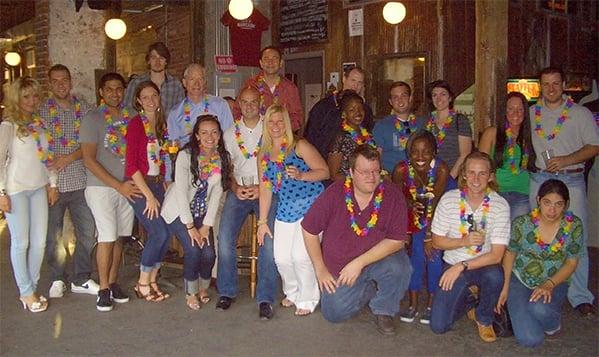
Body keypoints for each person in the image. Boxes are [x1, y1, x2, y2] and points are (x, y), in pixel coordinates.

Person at [302, 145, 411, 335]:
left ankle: (384, 309)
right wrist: (320, 270)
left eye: (376, 171)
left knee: (400, 266)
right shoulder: (335, 193)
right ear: (351, 172)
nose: (371, 176)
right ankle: (369, 288)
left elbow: (397, 240)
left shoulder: (392, 195)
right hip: (341, 267)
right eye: (365, 172)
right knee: (333, 313)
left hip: (378, 259)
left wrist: (359, 263)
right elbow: (308, 229)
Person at [528, 67, 599, 317]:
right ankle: (540, 284)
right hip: (539, 178)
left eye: (555, 84)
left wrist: (567, 160)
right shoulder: (532, 113)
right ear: (540, 87)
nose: (551, 88)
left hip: (571, 181)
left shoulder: (580, 114)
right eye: (545, 84)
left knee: (575, 236)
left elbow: (594, 146)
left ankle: (580, 296)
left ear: (564, 84)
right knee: (536, 234)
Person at [430, 151, 510, 343]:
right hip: (453, 264)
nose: (476, 179)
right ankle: (470, 301)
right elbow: (437, 242)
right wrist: (463, 242)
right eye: (471, 172)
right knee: (438, 326)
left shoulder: (500, 205)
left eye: (482, 173)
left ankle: (484, 318)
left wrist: (462, 266)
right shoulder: (449, 199)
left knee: (495, 274)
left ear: (490, 176)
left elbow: (497, 256)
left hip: (483, 265)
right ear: (463, 174)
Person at [257, 105, 329, 316]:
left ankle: (309, 298)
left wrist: (300, 175)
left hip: (311, 205)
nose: (276, 126)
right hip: (286, 207)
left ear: (287, 123)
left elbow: (324, 171)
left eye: (280, 121)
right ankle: (293, 291)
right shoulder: (263, 154)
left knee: (300, 256)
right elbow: (265, 188)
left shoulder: (300, 146)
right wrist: (262, 222)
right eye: (271, 121)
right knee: (281, 257)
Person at [216, 87, 278, 319]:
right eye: (245, 102)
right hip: (240, 190)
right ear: (238, 104)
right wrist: (236, 188)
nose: (249, 106)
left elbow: (278, 163)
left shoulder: (271, 128)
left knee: (268, 241)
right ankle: (227, 291)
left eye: (254, 102)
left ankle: (265, 297)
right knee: (224, 236)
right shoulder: (230, 134)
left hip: (267, 190)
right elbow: (227, 169)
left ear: (261, 102)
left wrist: (261, 187)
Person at [496, 179, 582, 348]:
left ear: (566, 205)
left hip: (555, 280)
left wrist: (549, 284)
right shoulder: (522, 223)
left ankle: (553, 324)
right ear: (538, 200)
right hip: (519, 278)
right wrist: (505, 286)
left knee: (539, 309)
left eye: (559, 204)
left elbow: (571, 264)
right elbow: (510, 253)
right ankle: (527, 312)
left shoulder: (573, 226)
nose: (552, 210)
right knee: (530, 340)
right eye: (547, 203)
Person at [39, 64, 99, 298]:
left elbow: (90, 143)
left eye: (65, 80)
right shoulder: (42, 111)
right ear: (50, 84)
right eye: (56, 81)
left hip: (81, 179)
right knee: (53, 233)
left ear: (71, 81)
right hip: (52, 183)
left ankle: (81, 277)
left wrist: (69, 158)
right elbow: (38, 148)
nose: (61, 84)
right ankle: (57, 277)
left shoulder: (84, 109)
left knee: (87, 231)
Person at [80, 72, 139, 312]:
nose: (115, 93)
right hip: (101, 187)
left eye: (119, 89)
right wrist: (117, 185)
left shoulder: (133, 117)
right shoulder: (93, 119)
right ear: (101, 93)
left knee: (120, 237)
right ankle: (103, 289)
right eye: (110, 89)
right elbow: (88, 159)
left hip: (128, 186)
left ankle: (113, 282)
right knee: (106, 236)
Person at [161, 115, 232, 310]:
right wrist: (191, 227)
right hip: (179, 211)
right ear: (197, 136)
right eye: (204, 132)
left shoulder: (222, 157)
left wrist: (206, 226)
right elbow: (182, 193)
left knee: (209, 254)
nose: (210, 136)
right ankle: (191, 292)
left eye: (214, 132)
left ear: (219, 135)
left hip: (202, 213)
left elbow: (217, 193)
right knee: (193, 248)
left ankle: (203, 287)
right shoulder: (186, 156)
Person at [0, 76, 57, 312]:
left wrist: (53, 184)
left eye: (35, 96)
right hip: (16, 190)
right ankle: (25, 291)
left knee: (40, 242)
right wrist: (1, 192)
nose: (31, 101)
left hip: (38, 188)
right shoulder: (8, 126)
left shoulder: (40, 124)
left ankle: (31, 288)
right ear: (16, 99)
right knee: (21, 242)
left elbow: (48, 157)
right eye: (26, 96)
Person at [392, 130, 449, 324]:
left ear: (434, 152)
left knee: (433, 255)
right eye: (415, 151)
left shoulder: (441, 170)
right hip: (412, 216)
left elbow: (436, 204)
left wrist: (430, 236)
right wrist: (410, 203)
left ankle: (432, 304)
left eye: (426, 151)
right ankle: (413, 304)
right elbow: (397, 198)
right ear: (408, 153)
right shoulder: (401, 170)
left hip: (439, 216)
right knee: (416, 254)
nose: (420, 157)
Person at [125, 81, 172, 302]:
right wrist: (149, 196)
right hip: (139, 185)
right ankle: (142, 283)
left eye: (154, 95)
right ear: (138, 101)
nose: (151, 101)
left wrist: (164, 179)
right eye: (145, 97)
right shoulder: (136, 124)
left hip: (156, 183)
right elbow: (131, 166)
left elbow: (162, 157)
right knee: (158, 233)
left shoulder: (162, 125)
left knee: (167, 232)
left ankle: (152, 278)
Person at [479, 91, 536, 222]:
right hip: (496, 193)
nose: (515, 113)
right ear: (504, 111)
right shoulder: (491, 133)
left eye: (520, 109)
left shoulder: (530, 135)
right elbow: (481, 165)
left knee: (516, 238)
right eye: (510, 109)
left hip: (523, 194)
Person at [304, 66, 375, 159]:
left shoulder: (365, 110)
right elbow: (310, 138)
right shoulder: (323, 107)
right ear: (344, 79)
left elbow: (368, 136)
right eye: (353, 80)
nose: (355, 86)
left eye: (359, 82)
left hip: (356, 163)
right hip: (324, 162)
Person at [239, 46, 303, 132]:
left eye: (274, 58)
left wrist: (282, 130)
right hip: (254, 137)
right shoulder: (250, 85)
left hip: (281, 137)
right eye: (266, 59)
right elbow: (238, 111)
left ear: (281, 63)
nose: (270, 62)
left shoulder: (290, 87)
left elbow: (297, 117)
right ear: (261, 63)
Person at [167, 63, 234, 146]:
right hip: (187, 155)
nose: (197, 84)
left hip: (215, 155)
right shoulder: (175, 112)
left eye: (200, 79)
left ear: (205, 82)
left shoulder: (220, 105)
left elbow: (229, 137)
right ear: (184, 82)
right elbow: (173, 143)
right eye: (192, 79)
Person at [424, 80, 472, 187]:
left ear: (450, 98)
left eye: (443, 94)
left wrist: (448, 178)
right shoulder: (426, 122)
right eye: (434, 95)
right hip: (431, 177)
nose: (438, 98)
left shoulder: (460, 121)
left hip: (453, 178)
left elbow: (465, 154)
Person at [374, 81, 426, 173]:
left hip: (418, 176)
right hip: (391, 178)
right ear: (390, 102)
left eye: (403, 95)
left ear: (410, 98)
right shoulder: (382, 125)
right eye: (395, 97)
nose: (400, 100)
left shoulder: (422, 123)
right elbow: (376, 157)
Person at [123, 42, 185, 116]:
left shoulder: (176, 85)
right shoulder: (136, 83)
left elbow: (180, 112)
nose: (157, 62)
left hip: (168, 126)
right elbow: (127, 109)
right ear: (148, 61)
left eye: (161, 58)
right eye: (153, 57)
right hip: (142, 126)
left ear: (166, 62)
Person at [328, 91, 376, 181]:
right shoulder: (340, 137)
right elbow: (334, 175)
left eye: (360, 108)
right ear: (344, 114)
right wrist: (358, 180)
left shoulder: (368, 135)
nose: (358, 112)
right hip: (347, 186)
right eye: (352, 110)